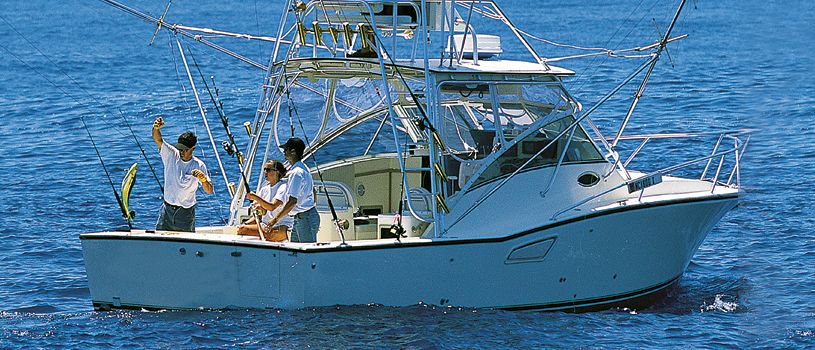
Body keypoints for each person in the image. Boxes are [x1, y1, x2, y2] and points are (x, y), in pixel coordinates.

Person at [151, 116, 213, 232]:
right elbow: (158, 140)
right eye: (180, 149)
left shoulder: (199, 165)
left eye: (185, 150)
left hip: (185, 214)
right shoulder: (171, 154)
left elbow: (209, 190)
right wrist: (156, 128)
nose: (181, 152)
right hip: (166, 211)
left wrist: (203, 180)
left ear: (193, 148)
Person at [266, 137, 320, 243]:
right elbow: (313, 191)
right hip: (301, 218)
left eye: (286, 149)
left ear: (293, 151)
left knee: (306, 254)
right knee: (295, 252)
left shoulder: (296, 173)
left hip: (305, 219)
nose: (284, 152)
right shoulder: (304, 168)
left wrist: (275, 220)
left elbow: (292, 201)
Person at [238, 160, 293, 242]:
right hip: (266, 225)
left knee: (243, 230)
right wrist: (245, 224)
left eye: (268, 170)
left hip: (283, 226)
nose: (265, 172)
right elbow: (261, 214)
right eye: (264, 169)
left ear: (277, 172)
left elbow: (272, 206)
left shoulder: (283, 187)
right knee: (241, 229)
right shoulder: (264, 190)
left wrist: (255, 197)